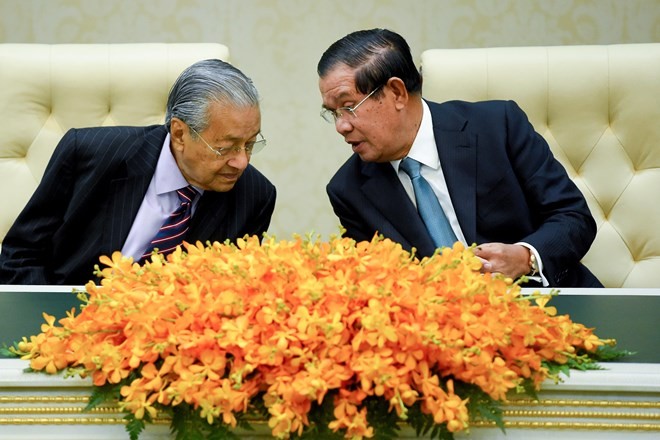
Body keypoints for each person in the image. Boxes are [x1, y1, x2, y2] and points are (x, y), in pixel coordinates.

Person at [317, 28, 602, 287]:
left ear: (397, 93)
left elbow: (573, 217)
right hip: (445, 332)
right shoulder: (349, 190)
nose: (342, 126)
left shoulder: (497, 127)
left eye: (349, 106)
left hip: (550, 307)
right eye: (334, 113)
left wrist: (524, 258)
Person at [0, 59, 276, 285]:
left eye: (250, 144)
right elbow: (21, 257)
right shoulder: (88, 155)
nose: (241, 162)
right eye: (225, 148)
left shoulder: (254, 196)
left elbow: (233, 293)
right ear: (179, 133)